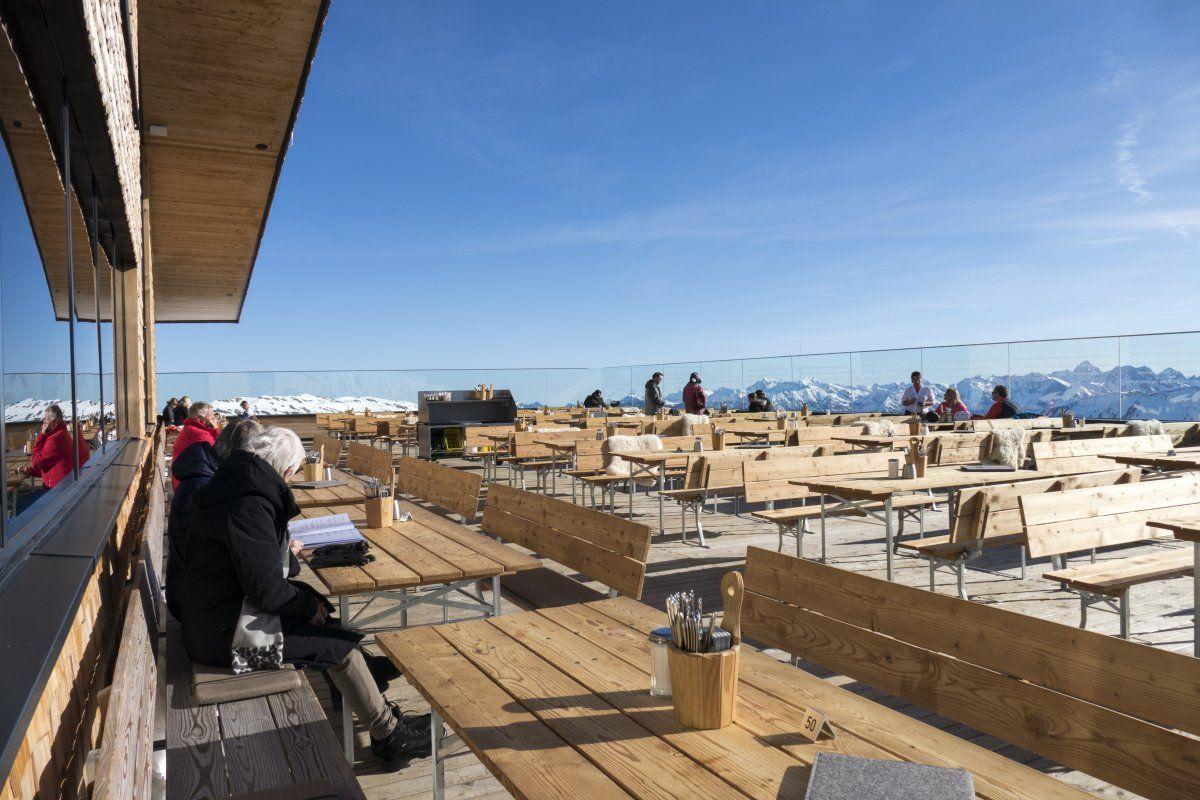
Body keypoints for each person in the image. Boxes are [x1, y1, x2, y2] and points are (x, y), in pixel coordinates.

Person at [182, 426, 430, 768]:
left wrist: (308, 603)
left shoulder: (235, 490)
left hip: (215, 619)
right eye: (293, 475)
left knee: (324, 618)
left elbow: (263, 577)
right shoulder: (249, 506)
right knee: (336, 647)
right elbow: (267, 591)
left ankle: (368, 691)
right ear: (284, 471)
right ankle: (390, 736)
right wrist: (306, 605)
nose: (290, 482)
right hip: (225, 639)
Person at [166, 418, 262, 621]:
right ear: (243, 454)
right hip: (196, 606)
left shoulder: (206, 474)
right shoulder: (203, 487)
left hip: (194, 593)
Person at [17, 404, 91, 513]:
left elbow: (36, 462)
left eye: (45, 421)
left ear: (53, 422)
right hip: (62, 487)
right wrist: (31, 471)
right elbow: (49, 465)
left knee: (18, 504)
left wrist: (41, 435)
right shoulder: (61, 434)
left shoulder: (55, 439)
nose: (43, 424)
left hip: (57, 492)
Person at [172, 401, 220, 490]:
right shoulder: (201, 435)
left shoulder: (190, 429)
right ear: (198, 418)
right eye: (212, 417)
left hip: (185, 484)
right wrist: (217, 429)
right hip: (193, 489)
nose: (215, 420)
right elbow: (218, 457)